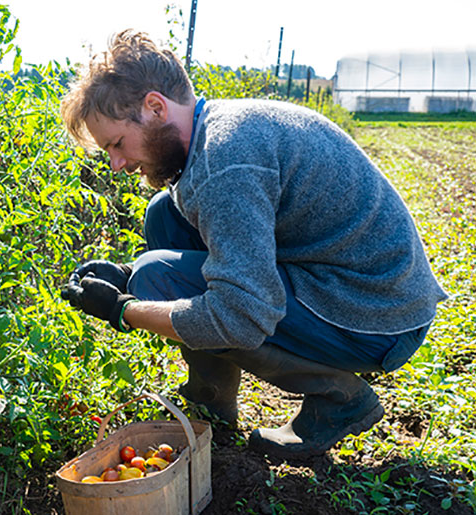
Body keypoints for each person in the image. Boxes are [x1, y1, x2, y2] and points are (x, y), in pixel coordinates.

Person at [58, 30, 448, 460]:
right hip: (351, 284)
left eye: (116, 143)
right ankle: (210, 400)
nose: (117, 163)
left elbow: (241, 316)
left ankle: (340, 400)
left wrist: (124, 309)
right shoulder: (214, 131)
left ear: (155, 107)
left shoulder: (227, 160)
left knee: (160, 277)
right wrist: (126, 276)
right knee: (163, 214)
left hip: (376, 316)